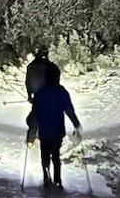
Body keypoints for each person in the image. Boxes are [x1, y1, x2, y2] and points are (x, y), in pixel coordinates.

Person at [27, 61, 81, 190]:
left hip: (44, 132)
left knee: (45, 156)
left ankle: (47, 178)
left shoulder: (40, 93)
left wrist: (31, 136)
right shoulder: (62, 92)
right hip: (57, 131)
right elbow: (69, 110)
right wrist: (76, 123)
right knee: (56, 156)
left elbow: (34, 115)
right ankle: (57, 180)